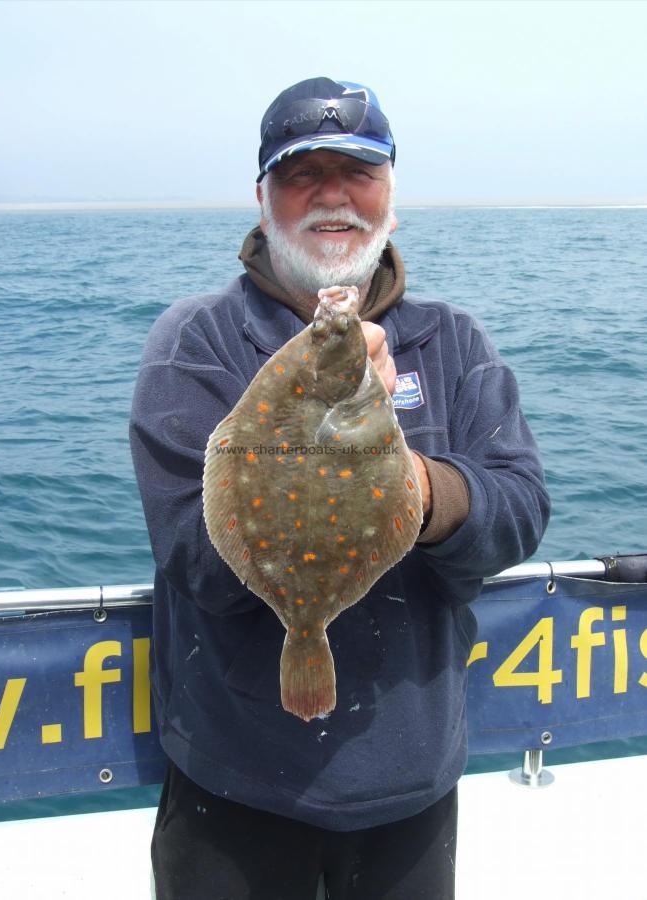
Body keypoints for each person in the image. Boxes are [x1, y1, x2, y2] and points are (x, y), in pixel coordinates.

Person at [129, 77, 550, 900]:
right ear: (262, 199)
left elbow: (521, 510)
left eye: (357, 171)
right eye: (299, 175)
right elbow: (195, 556)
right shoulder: (198, 340)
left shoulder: (454, 342)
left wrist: (415, 488)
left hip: (411, 779)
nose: (331, 195)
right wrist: (319, 442)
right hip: (234, 778)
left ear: (390, 191)